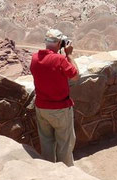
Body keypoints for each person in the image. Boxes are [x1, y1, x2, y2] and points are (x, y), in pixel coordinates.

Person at [30, 29, 80, 166]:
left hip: (41, 108)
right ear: (60, 43)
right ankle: (66, 174)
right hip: (60, 109)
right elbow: (75, 76)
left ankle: (49, 172)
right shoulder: (59, 59)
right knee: (65, 144)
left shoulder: (35, 58)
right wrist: (69, 55)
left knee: (46, 143)